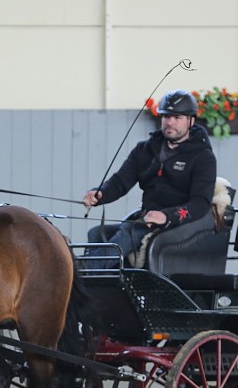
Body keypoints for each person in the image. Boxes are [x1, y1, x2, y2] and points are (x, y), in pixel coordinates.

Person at [82, 89, 217, 268]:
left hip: (179, 226)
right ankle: (104, 286)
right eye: (166, 116)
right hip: (147, 220)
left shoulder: (203, 157)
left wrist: (166, 215)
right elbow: (120, 182)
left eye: (177, 118)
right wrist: (100, 194)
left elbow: (200, 203)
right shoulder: (144, 149)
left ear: (191, 120)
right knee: (96, 234)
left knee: (129, 231)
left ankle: (84, 273)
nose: (170, 122)